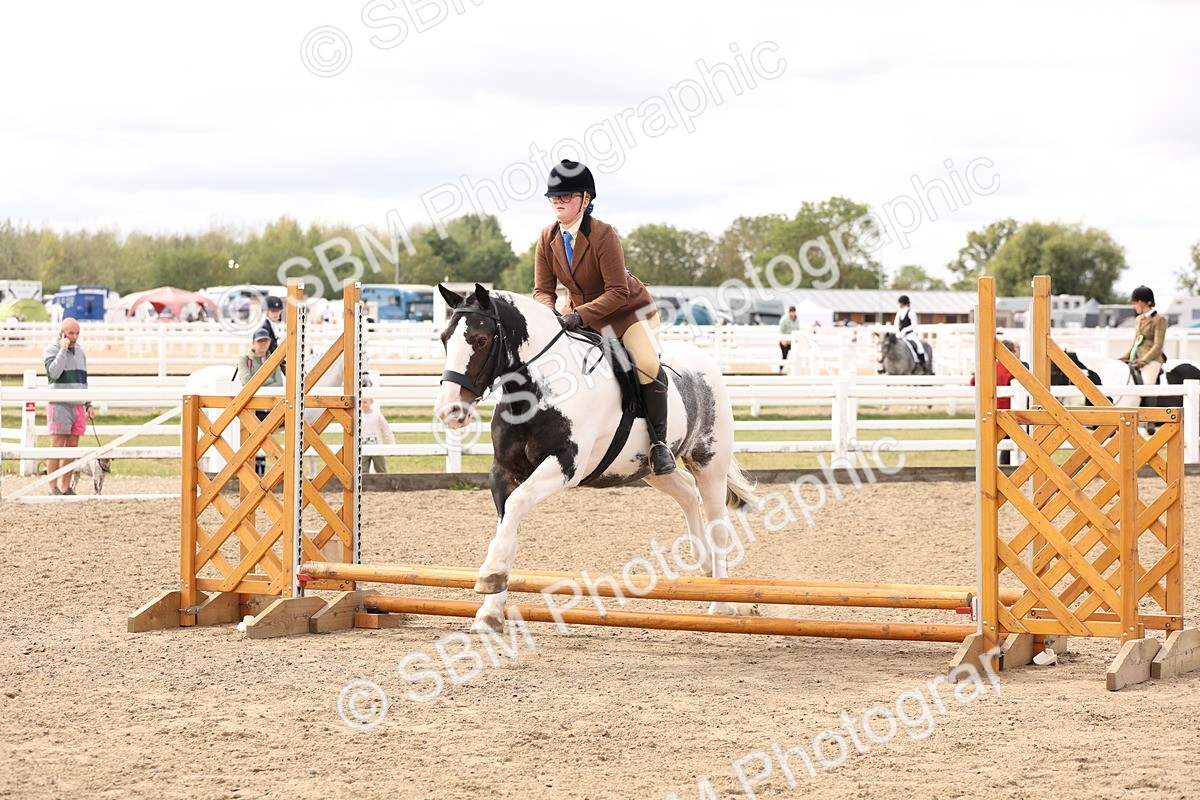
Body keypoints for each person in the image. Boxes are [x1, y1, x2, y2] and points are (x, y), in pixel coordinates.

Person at [533, 159, 675, 475]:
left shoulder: (603, 235)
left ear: (586, 200)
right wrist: (550, 314)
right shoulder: (546, 238)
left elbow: (617, 292)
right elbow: (542, 290)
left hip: (627, 313)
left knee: (647, 365)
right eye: (554, 196)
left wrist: (579, 315)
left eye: (566, 196)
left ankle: (658, 444)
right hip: (578, 315)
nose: (558, 201)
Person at [43, 317, 94, 495]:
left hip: (78, 406)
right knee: (56, 446)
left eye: (77, 333)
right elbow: (54, 373)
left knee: (72, 447)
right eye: (71, 333)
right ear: (62, 333)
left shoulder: (80, 352)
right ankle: (52, 486)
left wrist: (88, 404)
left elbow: (83, 379)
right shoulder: (51, 350)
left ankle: (66, 487)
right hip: (59, 405)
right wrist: (63, 350)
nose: (75, 337)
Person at [237, 328, 284, 477]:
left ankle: (263, 473)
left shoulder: (273, 360)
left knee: (264, 440)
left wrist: (259, 383)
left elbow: (279, 385)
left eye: (265, 341)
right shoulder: (245, 360)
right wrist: (268, 381)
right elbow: (246, 381)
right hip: (252, 408)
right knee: (253, 440)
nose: (263, 345)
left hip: (269, 408)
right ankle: (251, 474)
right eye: (260, 341)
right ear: (254, 343)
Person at [970, 340, 1018, 465]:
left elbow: (973, 382)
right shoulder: (1013, 368)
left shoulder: (989, 367)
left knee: (989, 442)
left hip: (990, 409)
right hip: (1010, 411)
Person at [1120, 285, 1167, 385]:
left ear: (1145, 302)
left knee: (1147, 385)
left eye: (1136, 303)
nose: (1134, 306)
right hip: (1135, 359)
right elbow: (1135, 342)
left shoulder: (1159, 319)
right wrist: (1123, 358)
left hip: (1152, 360)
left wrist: (1144, 360)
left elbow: (1158, 345)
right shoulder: (1138, 319)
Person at [891, 295, 928, 373]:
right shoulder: (899, 312)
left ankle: (922, 364)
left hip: (909, 335)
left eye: (900, 303)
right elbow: (896, 323)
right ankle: (884, 366)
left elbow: (914, 324)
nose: (899, 305)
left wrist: (905, 330)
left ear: (903, 303)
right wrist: (898, 331)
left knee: (919, 347)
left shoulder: (911, 312)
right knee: (889, 346)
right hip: (899, 334)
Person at [360, 397, 395, 474]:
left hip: (377, 446)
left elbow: (386, 429)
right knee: (363, 471)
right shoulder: (359, 416)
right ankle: (365, 485)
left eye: (365, 402)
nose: (362, 404)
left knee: (381, 469)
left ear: (371, 402)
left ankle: (383, 484)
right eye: (361, 402)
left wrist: (392, 444)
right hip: (364, 447)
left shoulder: (377, 415)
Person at [778, 305, 798, 372]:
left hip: (793, 341)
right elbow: (781, 330)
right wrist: (783, 339)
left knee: (795, 356)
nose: (792, 313)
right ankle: (780, 369)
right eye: (791, 312)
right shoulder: (785, 319)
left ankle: (794, 370)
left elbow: (798, 330)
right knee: (784, 356)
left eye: (793, 312)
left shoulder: (797, 320)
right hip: (785, 341)